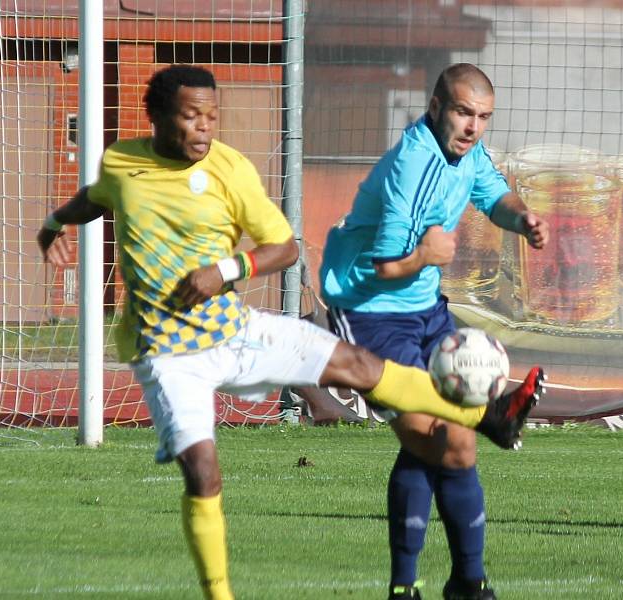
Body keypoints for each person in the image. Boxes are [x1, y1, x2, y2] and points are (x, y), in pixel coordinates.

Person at [37, 64, 543, 600]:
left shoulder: (230, 168)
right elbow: (100, 194)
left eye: (212, 116)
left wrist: (226, 271)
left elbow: (286, 246)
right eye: (192, 117)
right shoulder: (412, 167)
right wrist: (53, 225)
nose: (205, 128)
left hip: (277, 326)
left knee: (423, 422)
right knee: (408, 439)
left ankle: (466, 567)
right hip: (257, 334)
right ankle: (373, 583)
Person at [319, 63, 550, 600]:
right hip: (371, 312)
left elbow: (495, 197)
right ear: (436, 108)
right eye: (464, 113)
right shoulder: (414, 163)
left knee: (454, 443)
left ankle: (462, 583)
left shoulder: (465, 156)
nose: (473, 126)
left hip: (425, 311)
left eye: (483, 117)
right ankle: (421, 586)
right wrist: (425, 254)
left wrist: (525, 219)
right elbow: (384, 266)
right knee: (433, 440)